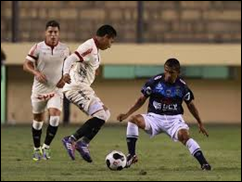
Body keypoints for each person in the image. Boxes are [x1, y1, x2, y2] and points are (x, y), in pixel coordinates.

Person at [117, 58, 212, 170]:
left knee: (185, 136)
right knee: (133, 119)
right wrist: (127, 114)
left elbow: (191, 105)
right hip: (154, 118)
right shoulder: (154, 81)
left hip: (174, 120)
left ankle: (204, 163)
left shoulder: (182, 87)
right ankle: (132, 155)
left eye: (171, 72)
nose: (167, 75)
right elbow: (141, 100)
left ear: (178, 73)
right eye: (166, 71)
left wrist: (200, 122)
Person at [62, 25, 117, 163]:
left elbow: (89, 64)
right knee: (101, 114)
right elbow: (69, 59)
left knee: (105, 113)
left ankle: (83, 143)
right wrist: (65, 74)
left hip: (83, 87)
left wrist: (93, 71)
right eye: (111, 41)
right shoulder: (89, 46)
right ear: (105, 37)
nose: (110, 46)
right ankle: (72, 139)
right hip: (76, 87)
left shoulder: (95, 50)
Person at [23, 20, 70, 161]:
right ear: (45, 33)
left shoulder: (65, 49)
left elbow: (72, 67)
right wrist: (36, 72)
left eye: (55, 32)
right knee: (38, 120)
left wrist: (65, 78)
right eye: (50, 32)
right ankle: (36, 148)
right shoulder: (37, 48)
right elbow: (26, 65)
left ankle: (46, 147)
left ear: (59, 33)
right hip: (39, 90)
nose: (53, 35)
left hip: (56, 89)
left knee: (55, 116)